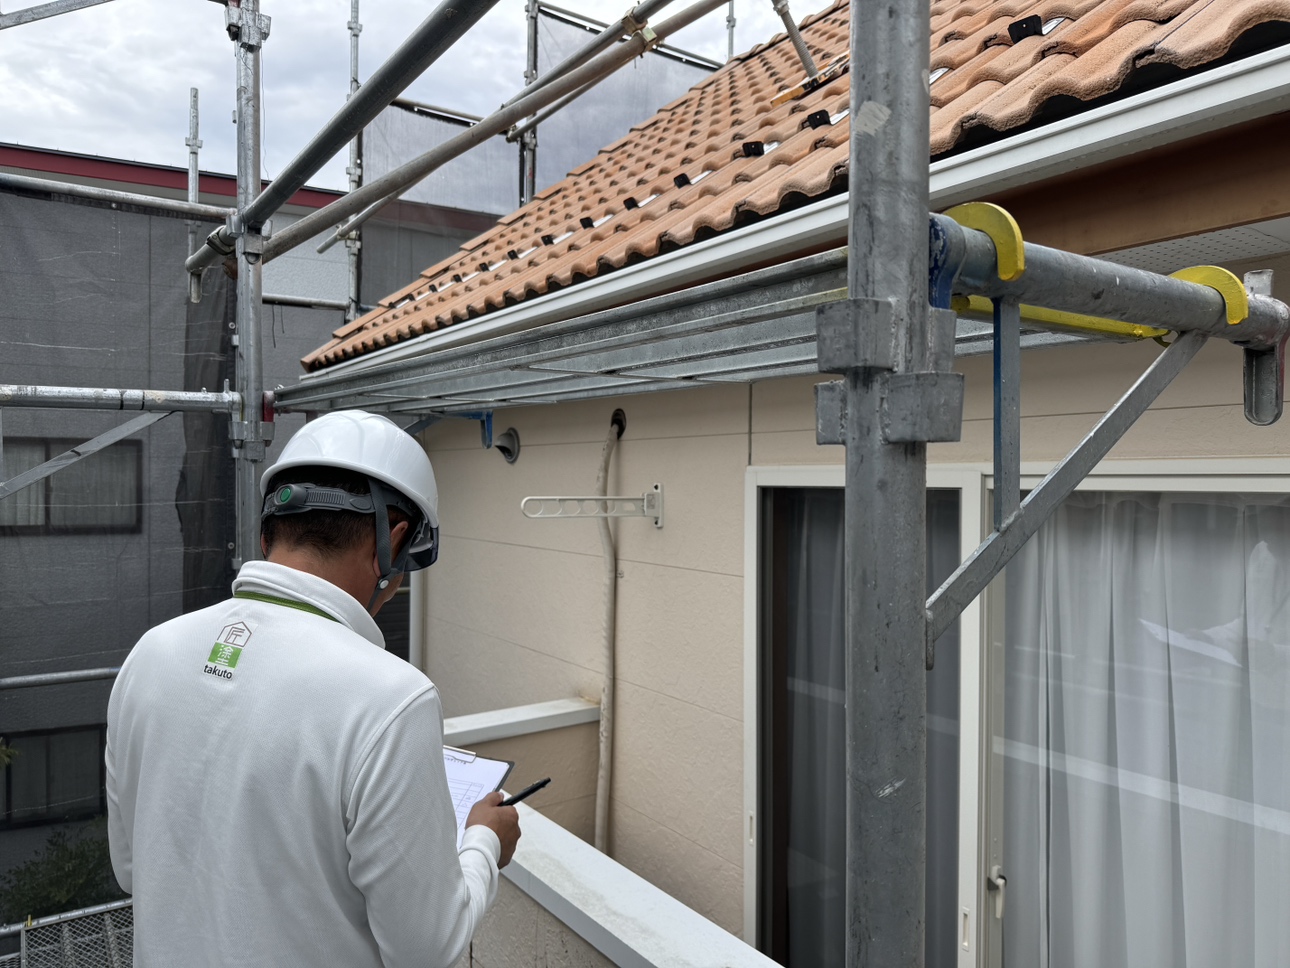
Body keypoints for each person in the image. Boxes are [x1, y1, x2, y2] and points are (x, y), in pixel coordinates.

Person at [106, 410, 520, 967]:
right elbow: (428, 949)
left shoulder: (152, 653)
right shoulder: (391, 700)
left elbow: (130, 870)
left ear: (266, 534)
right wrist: (484, 842)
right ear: (393, 544)